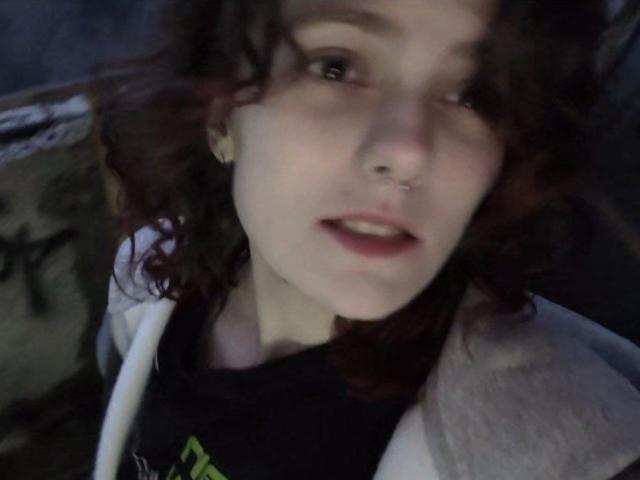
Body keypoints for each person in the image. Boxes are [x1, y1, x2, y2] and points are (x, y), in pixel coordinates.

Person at [93, 0, 640, 479]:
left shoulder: (546, 437)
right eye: (336, 67)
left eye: (474, 95)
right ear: (219, 115)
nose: (408, 153)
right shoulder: (146, 282)